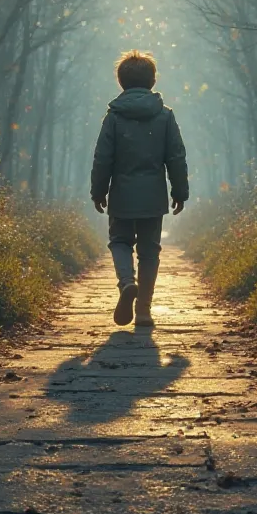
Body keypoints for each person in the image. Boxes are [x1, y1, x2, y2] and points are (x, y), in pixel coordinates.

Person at [91, 50, 189, 328]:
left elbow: (102, 158)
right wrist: (179, 192)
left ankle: (126, 284)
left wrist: (98, 191)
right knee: (149, 252)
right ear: (152, 81)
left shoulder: (113, 117)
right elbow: (176, 156)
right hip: (153, 197)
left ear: (121, 82)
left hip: (122, 194)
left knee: (120, 242)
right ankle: (144, 310)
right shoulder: (165, 117)